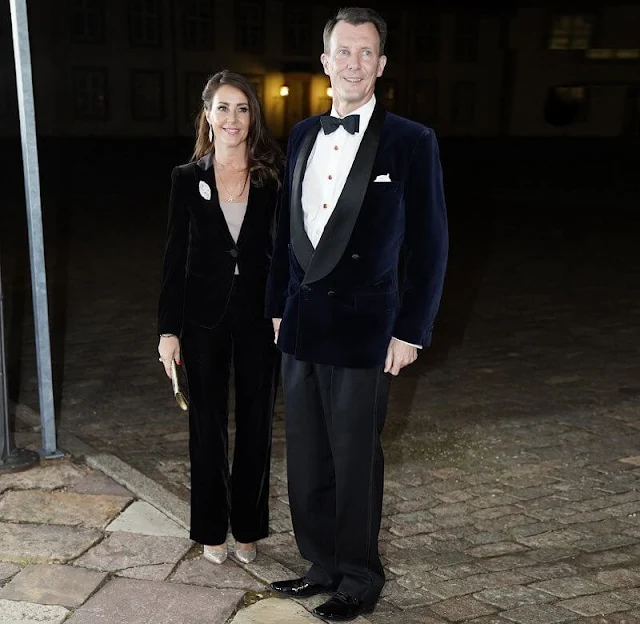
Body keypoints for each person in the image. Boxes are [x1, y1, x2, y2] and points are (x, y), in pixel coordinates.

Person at [265, 7, 448, 621]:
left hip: (368, 331)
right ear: (325, 61)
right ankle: (318, 563)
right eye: (343, 51)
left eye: (366, 52)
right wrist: (275, 309)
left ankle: (359, 577)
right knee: (307, 454)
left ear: (381, 64)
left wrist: (411, 330)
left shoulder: (411, 140)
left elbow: (430, 243)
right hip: (301, 321)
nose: (353, 63)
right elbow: (281, 235)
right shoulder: (301, 135)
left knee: (355, 458)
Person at [157, 70, 283, 566]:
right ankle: (211, 528)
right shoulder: (186, 180)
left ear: (253, 118)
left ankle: (249, 528)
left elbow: (283, 252)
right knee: (206, 426)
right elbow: (173, 259)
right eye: (223, 108)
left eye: (243, 108)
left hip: (258, 319)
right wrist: (168, 331)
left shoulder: (271, 178)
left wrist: (280, 310)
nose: (233, 118)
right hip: (201, 320)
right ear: (207, 116)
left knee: (257, 424)